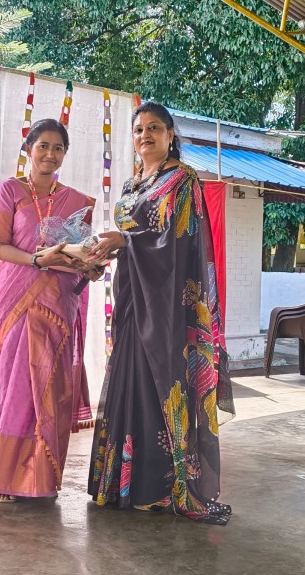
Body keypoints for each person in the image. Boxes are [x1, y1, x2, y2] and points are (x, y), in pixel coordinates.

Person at [87, 102, 235, 525]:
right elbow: (133, 237)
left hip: (167, 303)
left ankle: (162, 488)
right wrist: (102, 253)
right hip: (133, 298)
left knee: (161, 387)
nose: (145, 135)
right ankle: (125, 485)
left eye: (154, 128)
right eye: (138, 129)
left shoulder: (182, 180)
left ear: (171, 134)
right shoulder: (133, 183)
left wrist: (126, 241)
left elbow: (180, 241)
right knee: (130, 380)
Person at [0, 118, 96, 503]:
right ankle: (6, 477)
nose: (50, 154)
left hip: (57, 304)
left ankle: (41, 477)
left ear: (65, 154)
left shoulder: (76, 203)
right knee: (16, 387)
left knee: (49, 386)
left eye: (58, 148)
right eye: (43, 146)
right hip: (18, 301)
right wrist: (36, 260)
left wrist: (91, 266)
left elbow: (79, 256)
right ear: (29, 149)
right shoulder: (10, 191)